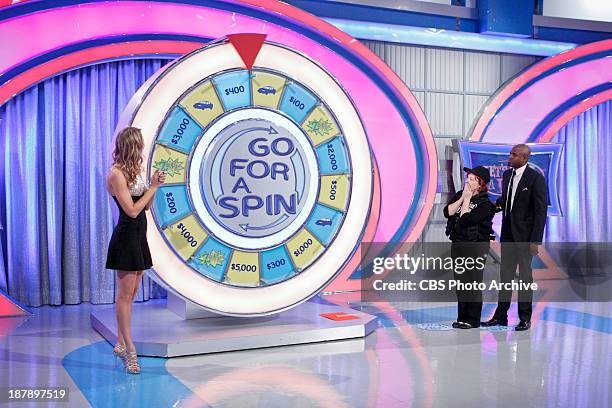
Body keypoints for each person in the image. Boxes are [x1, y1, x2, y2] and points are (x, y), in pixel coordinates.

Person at [105, 127, 166, 374]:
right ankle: (129, 349)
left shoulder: (136, 172)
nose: (142, 149)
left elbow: (146, 207)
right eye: (139, 145)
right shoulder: (116, 174)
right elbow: (131, 210)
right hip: (126, 237)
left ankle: (121, 342)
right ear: (131, 146)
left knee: (130, 296)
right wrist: (151, 187)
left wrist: (155, 187)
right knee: (124, 296)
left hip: (139, 236)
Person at [482, 144, 547, 331]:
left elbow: (540, 211)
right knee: (506, 276)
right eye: (510, 154)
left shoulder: (535, 179)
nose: (509, 157)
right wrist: (495, 206)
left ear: (524, 158)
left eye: (513, 154)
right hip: (508, 235)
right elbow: (508, 199)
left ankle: (525, 317)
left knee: (525, 277)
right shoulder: (507, 175)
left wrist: (535, 241)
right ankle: (500, 315)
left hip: (526, 238)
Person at [444, 166, 495, 329]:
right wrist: (462, 198)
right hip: (458, 244)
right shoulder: (461, 195)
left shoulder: (486, 204)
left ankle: (472, 319)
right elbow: (448, 212)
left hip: (476, 247)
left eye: (473, 179)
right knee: (461, 283)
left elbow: (466, 220)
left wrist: (467, 200)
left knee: (472, 282)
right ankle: (462, 317)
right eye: (468, 177)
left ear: (480, 184)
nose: (468, 181)